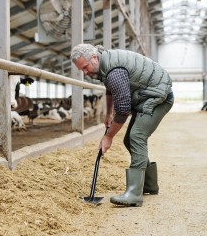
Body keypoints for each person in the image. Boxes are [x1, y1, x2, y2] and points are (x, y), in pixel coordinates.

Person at [71, 44, 174, 207]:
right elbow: (110, 89)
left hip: (158, 98)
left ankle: (134, 194)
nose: (85, 73)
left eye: (85, 67)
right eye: (81, 70)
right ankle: (149, 185)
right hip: (146, 95)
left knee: (136, 136)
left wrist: (108, 137)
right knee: (128, 140)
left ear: (94, 58)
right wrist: (108, 113)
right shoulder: (106, 64)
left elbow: (124, 109)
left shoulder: (114, 71)